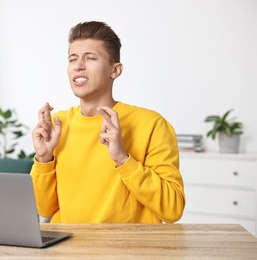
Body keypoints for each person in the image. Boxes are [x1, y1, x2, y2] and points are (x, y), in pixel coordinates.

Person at [30, 21, 185, 224]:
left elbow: (172, 209)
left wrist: (122, 158)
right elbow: (45, 208)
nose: (78, 66)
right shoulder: (58, 125)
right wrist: (44, 157)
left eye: (91, 58)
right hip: (68, 251)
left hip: (127, 251)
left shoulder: (152, 124)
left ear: (115, 71)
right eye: (72, 59)